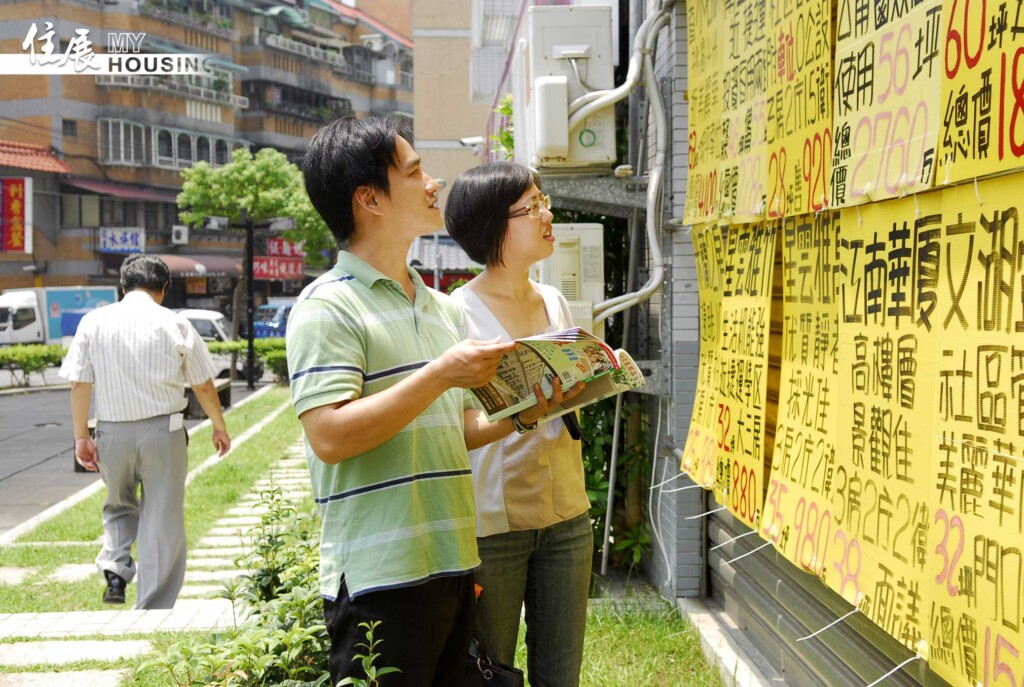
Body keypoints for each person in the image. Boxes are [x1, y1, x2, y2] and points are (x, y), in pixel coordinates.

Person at [291, 115, 575, 687]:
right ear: (369, 199)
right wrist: (442, 373)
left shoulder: (439, 307)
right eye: (415, 171)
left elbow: (456, 428)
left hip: (453, 562)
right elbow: (330, 436)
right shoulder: (328, 307)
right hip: (380, 579)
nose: (432, 183)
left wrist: (531, 406)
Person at [445, 161, 594, 687]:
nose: (547, 213)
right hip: (495, 528)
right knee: (491, 675)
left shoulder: (554, 300)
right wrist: (522, 415)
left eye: (543, 200)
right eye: (532, 207)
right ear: (493, 226)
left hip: (566, 515)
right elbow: (458, 430)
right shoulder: (456, 314)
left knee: (561, 674)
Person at [59, 253, 231, 609]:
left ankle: (115, 569)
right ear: (164, 289)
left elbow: (79, 384)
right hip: (163, 432)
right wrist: (218, 425)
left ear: (123, 286)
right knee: (162, 515)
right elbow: (202, 385)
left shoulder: (94, 322)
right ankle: (152, 604)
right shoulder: (176, 324)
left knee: (118, 503)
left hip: (111, 431)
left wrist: (81, 436)